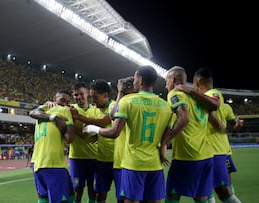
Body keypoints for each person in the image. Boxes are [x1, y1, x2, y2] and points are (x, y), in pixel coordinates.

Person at [84, 66, 173, 203]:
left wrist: (92, 128)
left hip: (134, 164)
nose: (134, 82)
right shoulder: (166, 105)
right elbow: (167, 134)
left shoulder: (128, 101)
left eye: (136, 79)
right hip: (155, 164)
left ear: (141, 80)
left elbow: (114, 131)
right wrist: (162, 148)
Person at [176, 67, 241, 203]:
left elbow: (214, 104)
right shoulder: (202, 100)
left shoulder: (212, 93)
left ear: (198, 82)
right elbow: (224, 123)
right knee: (205, 192)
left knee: (223, 192)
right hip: (211, 151)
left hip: (214, 151)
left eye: (194, 84)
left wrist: (192, 91)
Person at [160, 66, 218, 203]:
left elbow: (184, 118)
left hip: (187, 156)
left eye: (166, 80)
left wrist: (164, 142)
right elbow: (215, 105)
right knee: (201, 198)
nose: (165, 83)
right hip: (206, 157)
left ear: (173, 78)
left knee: (172, 196)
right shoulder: (198, 96)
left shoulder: (175, 93)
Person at [73, 79, 115, 203]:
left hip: (118, 160)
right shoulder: (96, 109)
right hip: (101, 160)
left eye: (95, 97)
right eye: (91, 97)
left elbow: (103, 122)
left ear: (105, 95)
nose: (93, 101)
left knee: (122, 196)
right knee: (99, 194)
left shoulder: (113, 106)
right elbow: (97, 127)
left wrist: (78, 117)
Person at [29, 89, 76, 203]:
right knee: (63, 198)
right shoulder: (64, 110)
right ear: (55, 99)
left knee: (43, 196)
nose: (64, 104)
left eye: (67, 102)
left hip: (36, 163)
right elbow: (69, 139)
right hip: (53, 163)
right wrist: (61, 121)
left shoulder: (42, 110)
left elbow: (32, 113)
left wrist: (52, 117)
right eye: (62, 100)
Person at [68, 82, 98, 203]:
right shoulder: (70, 110)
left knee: (93, 189)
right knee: (77, 190)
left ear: (87, 94)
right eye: (76, 95)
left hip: (94, 157)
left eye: (81, 94)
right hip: (77, 158)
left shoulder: (96, 110)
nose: (79, 97)